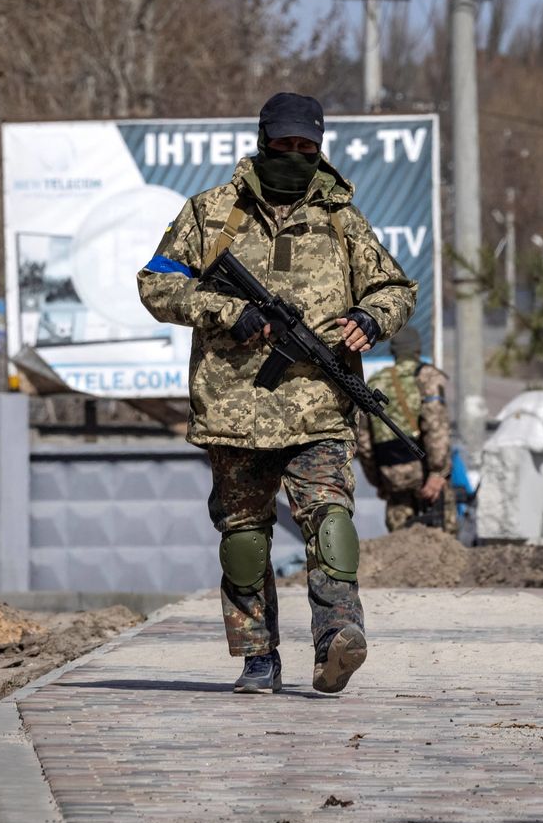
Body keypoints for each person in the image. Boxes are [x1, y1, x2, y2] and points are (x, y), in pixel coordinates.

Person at [138, 92, 417, 695]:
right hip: (233, 413)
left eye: (306, 147)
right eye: (284, 146)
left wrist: (372, 319)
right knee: (244, 540)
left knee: (331, 525)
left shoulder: (342, 218)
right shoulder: (211, 213)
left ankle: (336, 640)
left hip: (319, 408)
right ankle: (258, 658)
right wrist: (222, 310)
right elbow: (157, 285)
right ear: (263, 141)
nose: (295, 156)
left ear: (320, 148)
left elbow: (395, 286)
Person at [354, 326, 454, 533]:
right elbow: (436, 426)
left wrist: (378, 481)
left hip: (392, 475)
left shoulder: (376, 382)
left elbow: (363, 441)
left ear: (394, 352)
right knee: (442, 544)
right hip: (425, 472)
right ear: (417, 350)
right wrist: (438, 471)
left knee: (400, 544)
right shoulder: (427, 377)